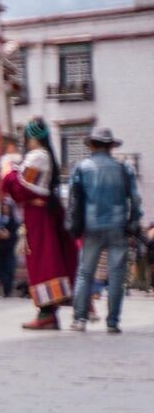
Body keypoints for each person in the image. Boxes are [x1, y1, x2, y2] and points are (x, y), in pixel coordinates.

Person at [1, 118, 79, 331]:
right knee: (45, 259)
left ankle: (46, 312)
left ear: (30, 137)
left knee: (43, 261)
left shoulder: (38, 156)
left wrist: (9, 172)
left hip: (39, 216)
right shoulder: (43, 157)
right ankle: (48, 313)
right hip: (40, 214)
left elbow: (21, 188)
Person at [68, 126, 143, 334]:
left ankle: (80, 319)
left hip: (91, 226)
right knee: (117, 275)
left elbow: (74, 201)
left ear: (92, 145)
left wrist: (73, 225)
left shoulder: (82, 167)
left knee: (85, 273)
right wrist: (134, 221)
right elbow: (135, 199)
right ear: (110, 146)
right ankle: (112, 322)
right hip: (118, 226)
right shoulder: (123, 168)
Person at [0, 199, 20, 298]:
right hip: (0, 247)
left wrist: (9, 235)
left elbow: (17, 234)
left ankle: (8, 290)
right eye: (4, 207)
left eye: (7, 207)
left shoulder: (15, 221)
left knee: (10, 268)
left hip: (10, 248)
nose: (5, 209)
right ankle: (5, 285)